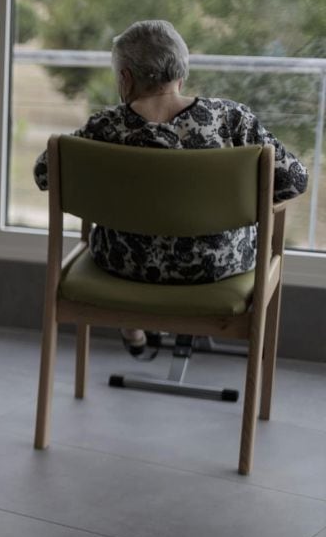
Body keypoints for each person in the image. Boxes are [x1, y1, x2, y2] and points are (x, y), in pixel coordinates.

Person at [33, 20, 308, 358]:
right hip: (216, 267)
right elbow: (294, 180)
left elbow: (44, 174)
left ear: (125, 78)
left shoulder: (104, 126)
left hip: (123, 265)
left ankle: (133, 328)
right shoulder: (232, 119)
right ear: (182, 72)